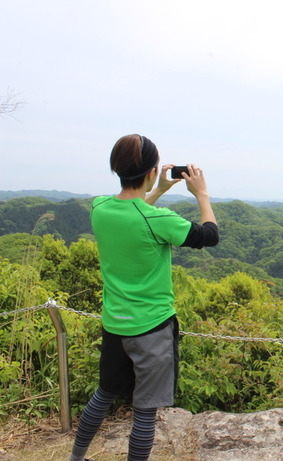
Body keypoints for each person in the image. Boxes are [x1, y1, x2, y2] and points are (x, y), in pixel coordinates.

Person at [68, 134, 219, 461]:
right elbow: (209, 236)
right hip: (152, 327)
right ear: (152, 171)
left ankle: (75, 458)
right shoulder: (159, 220)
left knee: (104, 394)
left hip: (114, 324)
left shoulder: (100, 208)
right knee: (146, 411)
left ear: (116, 169)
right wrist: (202, 194)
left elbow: (134, 214)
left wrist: (159, 190)